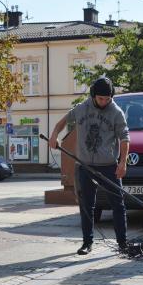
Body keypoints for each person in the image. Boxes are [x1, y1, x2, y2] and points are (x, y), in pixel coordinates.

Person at [49, 77, 130, 255]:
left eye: (108, 99)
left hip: (109, 165)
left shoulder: (116, 112)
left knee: (118, 204)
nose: (104, 102)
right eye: (101, 99)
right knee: (87, 205)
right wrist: (54, 136)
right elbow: (61, 123)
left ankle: (122, 243)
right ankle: (87, 242)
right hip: (84, 165)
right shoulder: (81, 108)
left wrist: (123, 162)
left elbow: (124, 138)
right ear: (93, 95)